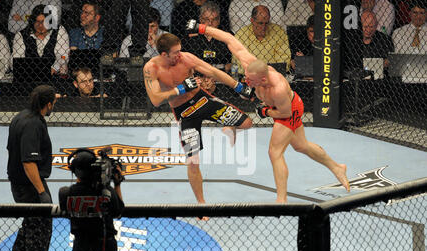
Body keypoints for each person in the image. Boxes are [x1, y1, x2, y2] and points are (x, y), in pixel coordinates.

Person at [187, 20, 351, 203]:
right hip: (279, 108)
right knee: (301, 146)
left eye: (250, 80)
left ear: (263, 79)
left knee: (275, 152)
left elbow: (285, 114)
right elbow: (229, 39)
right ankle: (337, 168)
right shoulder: (251, 64)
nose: (246, 81)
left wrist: (265, 112)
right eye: (246, 78)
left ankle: (282, 200)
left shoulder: (278, 89)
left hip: (288, 110)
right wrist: (202, 28)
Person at [143, 32, 254, 207]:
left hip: (203, 100)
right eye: (175, 52)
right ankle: (201, 204)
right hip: (184, 112)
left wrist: (238, 87)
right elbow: (156, 99)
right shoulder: (151, 68)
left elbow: (213, 71)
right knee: (193, 162)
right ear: (164, 54)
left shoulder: (186, 58)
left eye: (180, 50)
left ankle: (230, 128)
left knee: (247, 123)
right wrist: (181, 89)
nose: (179, 54)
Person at [0, 84, 58, 251]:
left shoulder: (21, 116)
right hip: (30, 185)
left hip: (20, 183)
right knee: (40, 234)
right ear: (48, 104)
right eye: (53, 104)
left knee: (30, 227)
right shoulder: (32, 124)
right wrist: (42, 191)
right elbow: (29, 162)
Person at [58, 148, 124, 251]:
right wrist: (117, 184)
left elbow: (68, 211)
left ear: (74, 171)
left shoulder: (65, 193)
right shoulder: (106, 193)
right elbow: (118, 211)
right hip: (105, 247)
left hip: (81, 247)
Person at [184, 1, 232, 94]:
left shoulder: (227, 37)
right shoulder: (191, 38)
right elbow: (187, 64)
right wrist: (201, 79)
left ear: (219, 20)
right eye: (206, 19)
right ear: (201, 19)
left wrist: (214, 77)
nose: (210, 23)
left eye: (214, 19)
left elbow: (231, 65)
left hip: (221, 79)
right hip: (197, 78)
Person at [11, 4, 70, 77]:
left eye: (44, 22)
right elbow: (17, 59)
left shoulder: (59, 30)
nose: (41, 26)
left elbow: (63, 55)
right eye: (37, 22)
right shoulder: (21, 35)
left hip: (53, 76)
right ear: (33, 22)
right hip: (28, 76)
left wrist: (54, 67)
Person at [232, 5, 291, 75]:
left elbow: (284, 62)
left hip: (273, 76)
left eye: (266, 23)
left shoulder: (279, 32)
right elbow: (238, 64)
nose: (263, 27)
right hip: (249, 77)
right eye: (260, 23)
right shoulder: (241, 35)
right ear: (252, 21)